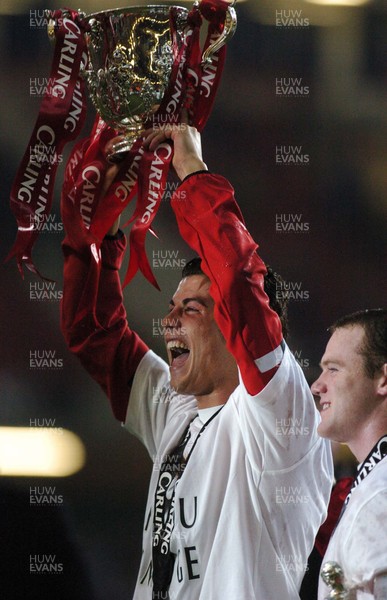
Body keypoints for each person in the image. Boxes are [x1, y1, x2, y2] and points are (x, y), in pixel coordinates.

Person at [61, 123, 333, 599]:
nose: (169, 321)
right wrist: (100, 228)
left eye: (192, 309)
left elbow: (239, 285)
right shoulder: (179, 411)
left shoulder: (279, 421)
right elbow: (93, 330)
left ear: (229, 325)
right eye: (172, 307)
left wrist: (190, 171)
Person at [311, 309, 387, 600]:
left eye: (334, 368)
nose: (318, 386)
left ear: (383, 380)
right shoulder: (373, 485)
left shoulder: (380, 496)